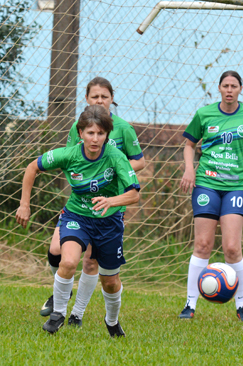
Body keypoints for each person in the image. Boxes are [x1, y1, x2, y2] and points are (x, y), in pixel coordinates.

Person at [17, 104, 140, 336]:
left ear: (107, 135)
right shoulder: (70, 154)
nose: (95, 139)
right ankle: (58, 314)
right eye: (90, 133)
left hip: (109, 223)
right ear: (80, 133)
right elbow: (32, 167)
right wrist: (25, 204)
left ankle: (112, 321)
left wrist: (111, 201)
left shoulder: (116, 157)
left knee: (110, 281)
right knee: (68, 262)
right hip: (77, 216)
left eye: (100, 133)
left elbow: (134, 194)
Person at [40, 77, 145, 327]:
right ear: (87, 99)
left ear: (112, 99)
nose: (100, 100)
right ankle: (59, 296)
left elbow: (139, 162)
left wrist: (112, 170)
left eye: (104, 97)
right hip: (80, 201)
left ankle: (76, 313)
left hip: (111, 203)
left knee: (91, 262)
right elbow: (70, 159)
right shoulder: (79, 127)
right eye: (95, 97)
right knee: (57, 251)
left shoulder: (123, 129)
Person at [179, 70, 243, 322]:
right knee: (203, 245)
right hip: (206, 184)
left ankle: (241, 306)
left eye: (234, 86)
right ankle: (190, 304)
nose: (229, 90)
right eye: (225, 85)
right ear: (218, 88)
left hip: (236, 186)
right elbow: (189, 145)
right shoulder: (204, 114)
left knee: (231, 248)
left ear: (240, 89)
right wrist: (189, 169)